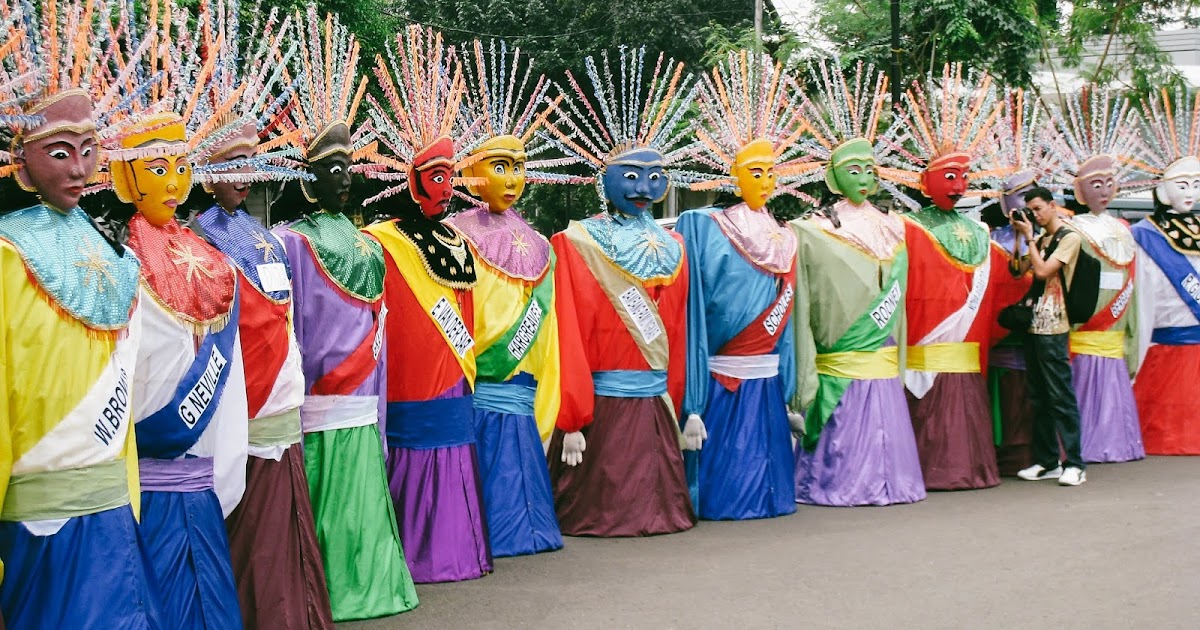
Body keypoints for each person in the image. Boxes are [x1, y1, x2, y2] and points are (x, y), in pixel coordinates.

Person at [0, 3, 160, 625]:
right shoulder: (9, 252)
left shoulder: (116, 254)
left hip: (112, 504)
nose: (78, 167)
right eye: (60, 151)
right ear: (20, 161)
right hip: (41, 514)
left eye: (89, 150)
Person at [189, 3, 335, 626]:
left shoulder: (269, 237)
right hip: (238, 400)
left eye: (253, 161)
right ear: (207, 171)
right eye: (231, 164)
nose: (244, 175)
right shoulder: (197, 239)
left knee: (284, 512)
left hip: (282, 399)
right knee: (250, 524)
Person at [272, 8, 418, 620]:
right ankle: (335, 585)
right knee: (330, 501)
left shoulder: (370, 245)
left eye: (349, 168)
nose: (342, 179)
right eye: (330, 169)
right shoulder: (292, 243)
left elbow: (380, 336)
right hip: (319, 400)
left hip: (361, 399)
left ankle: (372, 583)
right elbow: (294, 333)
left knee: (361, 497)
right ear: (308, 180)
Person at [540, 47, 696, 537]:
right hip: (602, 402)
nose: (643, 187)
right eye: (630, 177)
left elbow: (680, 332)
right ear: (603, 182)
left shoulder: (676, 246)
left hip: (653, 399)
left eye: (654, 177)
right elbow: (567, 332)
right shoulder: (576, 242)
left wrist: (686, 403)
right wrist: (572, 416)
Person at [360, 25, 493, 583]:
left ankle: (461, 550)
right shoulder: (381, 238)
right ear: (411, 181)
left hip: (453, 374)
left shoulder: (460, 241)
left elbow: (465, 313)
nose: (446, 187)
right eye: (435, 176)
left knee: (451, 437)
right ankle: (420, 551)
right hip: (410, 375)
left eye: (450, 177)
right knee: (418, 443)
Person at [442, 40, 569, 557]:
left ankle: (529, 531)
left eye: (518, 166)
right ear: (473, 172)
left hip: (521, 386)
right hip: (481, 379)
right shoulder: (454, 233)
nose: (513, 178)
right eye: (499, 165)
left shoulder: (539, 243)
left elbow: (547, 328)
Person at [786, 58, 926, 507]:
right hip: (840, 357)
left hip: (883, 357)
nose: (864, 178)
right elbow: (805, 308)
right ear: (832, 176)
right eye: (853, 170)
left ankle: (891, 480)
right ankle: (836, 482)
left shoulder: (894, 227)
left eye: (870, 169)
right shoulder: (811, 230)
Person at [674, 51, 799, 520]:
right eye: (755, 172)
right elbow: (696, 308)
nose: (765, 181)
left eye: (771, 172)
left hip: (766, 368)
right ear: (734, 174)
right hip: (724, 365)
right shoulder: (707, 225)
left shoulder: (786, 235)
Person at [886, 64, 1007, 491]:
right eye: (949, 177)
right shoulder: (907, 227)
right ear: (924, 182)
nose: (958, 185)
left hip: (964, 355)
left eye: (964, 177)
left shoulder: (980, 232)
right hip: (923, 352)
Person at [1046, 87, 1144, 464]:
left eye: (1109, 183)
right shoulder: (1075, 229)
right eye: (1095, 185)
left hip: (1114, 331)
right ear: (1079, 191)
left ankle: (1117, 441)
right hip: (1083, 329)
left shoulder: (1123, 228)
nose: (1104, 191)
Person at [1130, 89, 1200, 455]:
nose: (1189, 193)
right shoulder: (1145, 233)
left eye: (1196, 184)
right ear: (1161, 189)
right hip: (1165, 342)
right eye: (1181, 185)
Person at [1010, 187, 1087, 486]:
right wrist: (1020, 235)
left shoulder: (1069, 238)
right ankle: (1048, 460)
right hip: (1033, 324)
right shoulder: (1039, 239)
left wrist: (1030, 238)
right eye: (1032, 210)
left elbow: (1042, 272)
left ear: (1053, 206)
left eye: (1039, 209)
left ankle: (1075, 463)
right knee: (1039, 396)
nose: (1036, 215)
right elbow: (1017, 271)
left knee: (1061, 396)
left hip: (1055, 325)